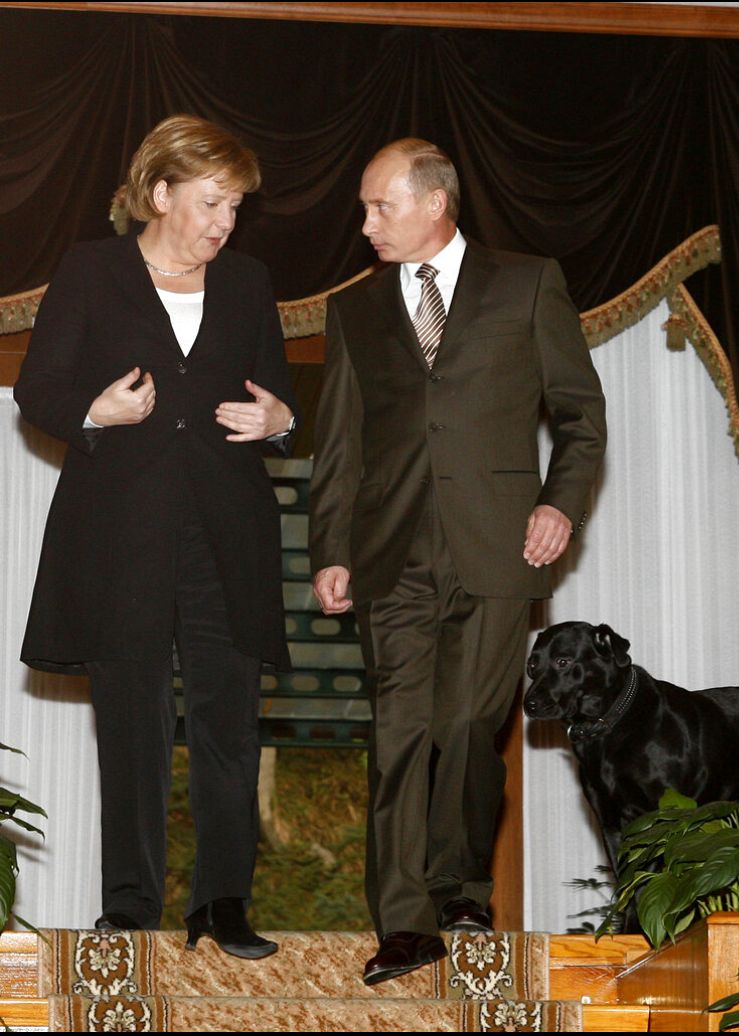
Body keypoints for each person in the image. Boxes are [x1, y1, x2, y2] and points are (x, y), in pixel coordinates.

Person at [309, 138, 607, 985]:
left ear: (434, 203)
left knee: (471, 732)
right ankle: (403, 924)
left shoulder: (527, 282)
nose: (366, 224)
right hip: (390, 554)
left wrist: (561, 502)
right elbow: (339, 446)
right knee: (398, 735)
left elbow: (581, 415)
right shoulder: (354, 312)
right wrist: (329, 548)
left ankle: (462, 887)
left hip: (500, 545)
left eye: (379, 207)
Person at [15, 115, 298, 958]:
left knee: (228, 726)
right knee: (133, 726)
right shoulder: (90, 270)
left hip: (227, 535)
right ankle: (131, 908)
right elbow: (40, 389)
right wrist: (96, 411)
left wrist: (280, 419)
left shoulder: (247, 282)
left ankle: (223, 905)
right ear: (161, 192)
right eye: (212, 202)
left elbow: (278, 398)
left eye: (236, 207)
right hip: (120, 537)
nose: (225, 222)